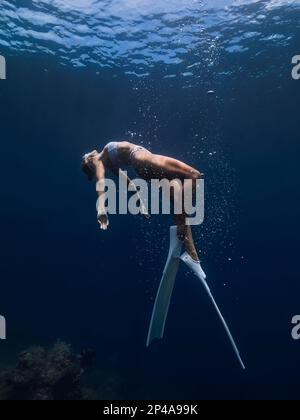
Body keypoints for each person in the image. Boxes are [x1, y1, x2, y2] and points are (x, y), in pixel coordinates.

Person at [81, 141, 203, 262]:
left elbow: (129, 184)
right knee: (194, 175)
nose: (97, 172)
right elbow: (100, 183)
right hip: (142, 160)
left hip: (143, 168)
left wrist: (140, 204)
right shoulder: (98, 161)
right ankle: (181, 226)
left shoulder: (107, 162)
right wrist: (101, 210)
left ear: (88, 161)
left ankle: (192, 255)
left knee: (177, 201)